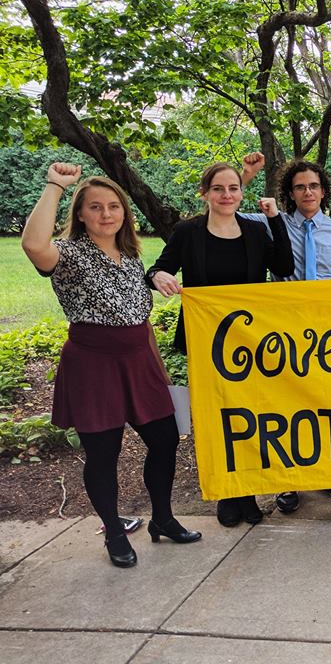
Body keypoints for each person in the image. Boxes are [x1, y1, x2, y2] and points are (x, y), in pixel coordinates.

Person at [21, 163, 201, 568]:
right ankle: (115, 534)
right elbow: (33, 244)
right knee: (104, 453)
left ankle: (163, 519)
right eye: (95, 207)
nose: (106, 214)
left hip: (140, 362)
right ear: (81, 214)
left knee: (165, 440)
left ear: (124, 213)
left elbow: (141, 319)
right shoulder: (68, 254)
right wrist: (55, 186)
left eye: (114, 206)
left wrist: (160, 371)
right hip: (93, 365)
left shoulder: (131, 256)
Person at [147, 162, 294, 528]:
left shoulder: (254, 230)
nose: (227, 195)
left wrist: (275, 218)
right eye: (218, 188)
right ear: (205, 193)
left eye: (233, 188)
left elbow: (284, 265)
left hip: (249, 342)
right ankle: (228, 493)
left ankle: (248, 490)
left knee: (250, 417)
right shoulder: (188, 232)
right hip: (206, 343)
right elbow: (158, 269)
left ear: (241, 193)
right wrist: (159, 275)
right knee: (217, 418)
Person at [239, 154, 331, 511]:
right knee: (287, 407)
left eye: (314, 186)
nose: (308, 192)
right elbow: (227, 210)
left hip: (325, 333)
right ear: (290, 193)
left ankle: (329, 474)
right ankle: (288, 481)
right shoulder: (270, 224)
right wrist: (246, 175)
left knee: (326, 404)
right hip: (284, 330)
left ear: (323, 191)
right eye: (300, 187)